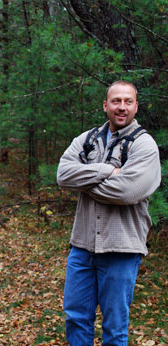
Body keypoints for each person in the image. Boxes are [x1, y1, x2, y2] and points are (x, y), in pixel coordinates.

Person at [56, 80, 161, 345]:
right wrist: (106, 171)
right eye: (116, 101)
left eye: (128, 102)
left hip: (121, 250)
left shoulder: (144, 145)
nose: (121, 107)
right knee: (76, 318)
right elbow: (63, 175)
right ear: (106, 106)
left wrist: (86, 182)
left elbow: (128, 191)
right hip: (82, 248)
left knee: (115, 328)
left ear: (136, 106)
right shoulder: (87, 139)